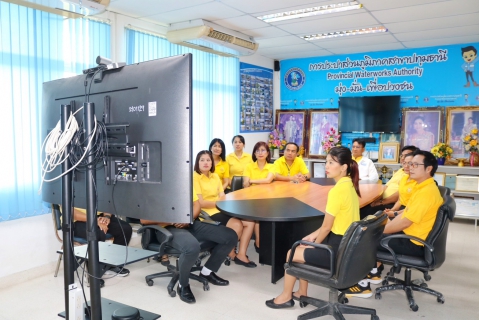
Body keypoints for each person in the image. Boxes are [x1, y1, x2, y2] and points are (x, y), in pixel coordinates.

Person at [265, 146, 360, 309]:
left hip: (336, 253)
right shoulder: (350, 185)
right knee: (304, 243)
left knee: (292, 252)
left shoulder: (337, 191)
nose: (327, 166)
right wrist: (312, 237)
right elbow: (330, 225)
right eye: (327, 162)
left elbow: (326, 227)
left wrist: (313, 243)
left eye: (331, 163)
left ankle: (286, 296)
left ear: (344, 167)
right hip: (347, 249)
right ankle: (301, 291)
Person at [343, 150, 443, 298]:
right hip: (413, 234)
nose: (410, 167)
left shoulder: (426, 192)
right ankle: (372, 273)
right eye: (410, 164)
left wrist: (377, 231)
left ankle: (362, 286)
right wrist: (391, 217)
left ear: (428, 169)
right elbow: (407, 212)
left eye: (415, 164)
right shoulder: (420, 186)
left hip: (413, 242)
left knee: (363, 240)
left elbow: (405, 222)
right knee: (370, 230)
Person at [140, 189, 237, 304]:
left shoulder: (183, 181)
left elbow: (196, 204)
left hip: (189, 223)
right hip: (166, 227)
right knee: (191, 248)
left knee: (230, 236)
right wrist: (172, 220)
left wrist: (188, 219)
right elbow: (144, 219)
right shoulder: (151, 188)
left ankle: (206, 272)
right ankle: (183, 285)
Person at [194, 150, 257, 268]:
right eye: (202, 160)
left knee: (250, 222)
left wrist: (224, 203)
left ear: (212, 163)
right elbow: (201, 203)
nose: (206, 163)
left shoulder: (215, 176)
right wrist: (219, 203)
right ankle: (231, 253)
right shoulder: (195, 177)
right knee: (237, 224)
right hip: (206, 213)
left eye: (208, 160)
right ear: (197, 163)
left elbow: (222, 195)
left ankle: (241, 254)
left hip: (221, 208)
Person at [360, 146, 418, 219]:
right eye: (402, 155)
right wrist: (378, 199)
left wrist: (382, 203)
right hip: (388, 204)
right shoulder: (401, 171)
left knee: (365, 212)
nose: (403, 158)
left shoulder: (414, 177)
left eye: (407, 156)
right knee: (363, 208)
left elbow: (400, 195)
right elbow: (386, 186)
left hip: (393, 204)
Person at [72, 207, 132, 277]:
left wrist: (106, 217)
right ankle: (93, 274)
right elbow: (74, 214)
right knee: (97, 233)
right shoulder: (64, 195)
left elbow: (106, 204)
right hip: (77, 221)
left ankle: (111, 265)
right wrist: (95, 220)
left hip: (99, 217)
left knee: (125, 228)